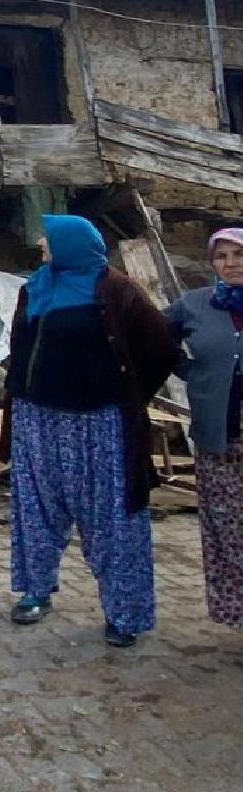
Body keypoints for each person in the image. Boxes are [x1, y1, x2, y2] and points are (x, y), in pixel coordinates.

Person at [0, 214, 180, 647]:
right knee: (37, 510)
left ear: (72, 243)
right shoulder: (35, 288)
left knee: (112, 518)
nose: (41, 242)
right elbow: (22, 348)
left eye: (49, 236)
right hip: (36, 418)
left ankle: (124, 613)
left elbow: (160, 347)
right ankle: (36, 591)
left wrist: (128, 393)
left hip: (98, 423)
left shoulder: (116, 290)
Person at [166, 227, 243, 631]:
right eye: (221, 256)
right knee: (228, 531)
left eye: (238, 255)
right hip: (220, 436)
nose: (229, 264)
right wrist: (192, 373)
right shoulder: (195, 305)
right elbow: (156, 339)